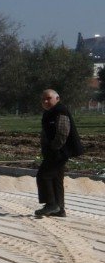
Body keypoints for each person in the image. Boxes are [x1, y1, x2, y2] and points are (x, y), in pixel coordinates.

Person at [35, 89, 83, 217]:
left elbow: (62, 133)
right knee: (56, 178)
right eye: (43, 99)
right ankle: (60, 209)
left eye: (48, 98)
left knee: (43, 175)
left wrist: (53, 149)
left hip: (59, 152)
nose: (45, 101)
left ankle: (51, 204)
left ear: (57, 98)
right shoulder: (49, 113)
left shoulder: (60, 111)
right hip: (56, 151)